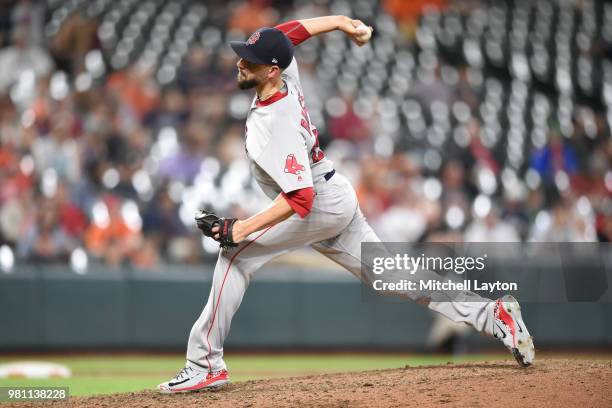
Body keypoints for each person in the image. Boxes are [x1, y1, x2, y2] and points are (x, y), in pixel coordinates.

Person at [158, 15, 535, 393]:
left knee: (235, 254)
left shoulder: (276, 121)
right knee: (391, 276)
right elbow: (288, 35)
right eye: (244, 57)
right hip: (334, 194)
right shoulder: (284, 72)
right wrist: (340, 22)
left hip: (318, 203)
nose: (241, 63)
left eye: (250, 61)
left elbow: (300, 199)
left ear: (271, 70)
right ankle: (493, 314)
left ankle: (204, 363)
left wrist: (239, 228)